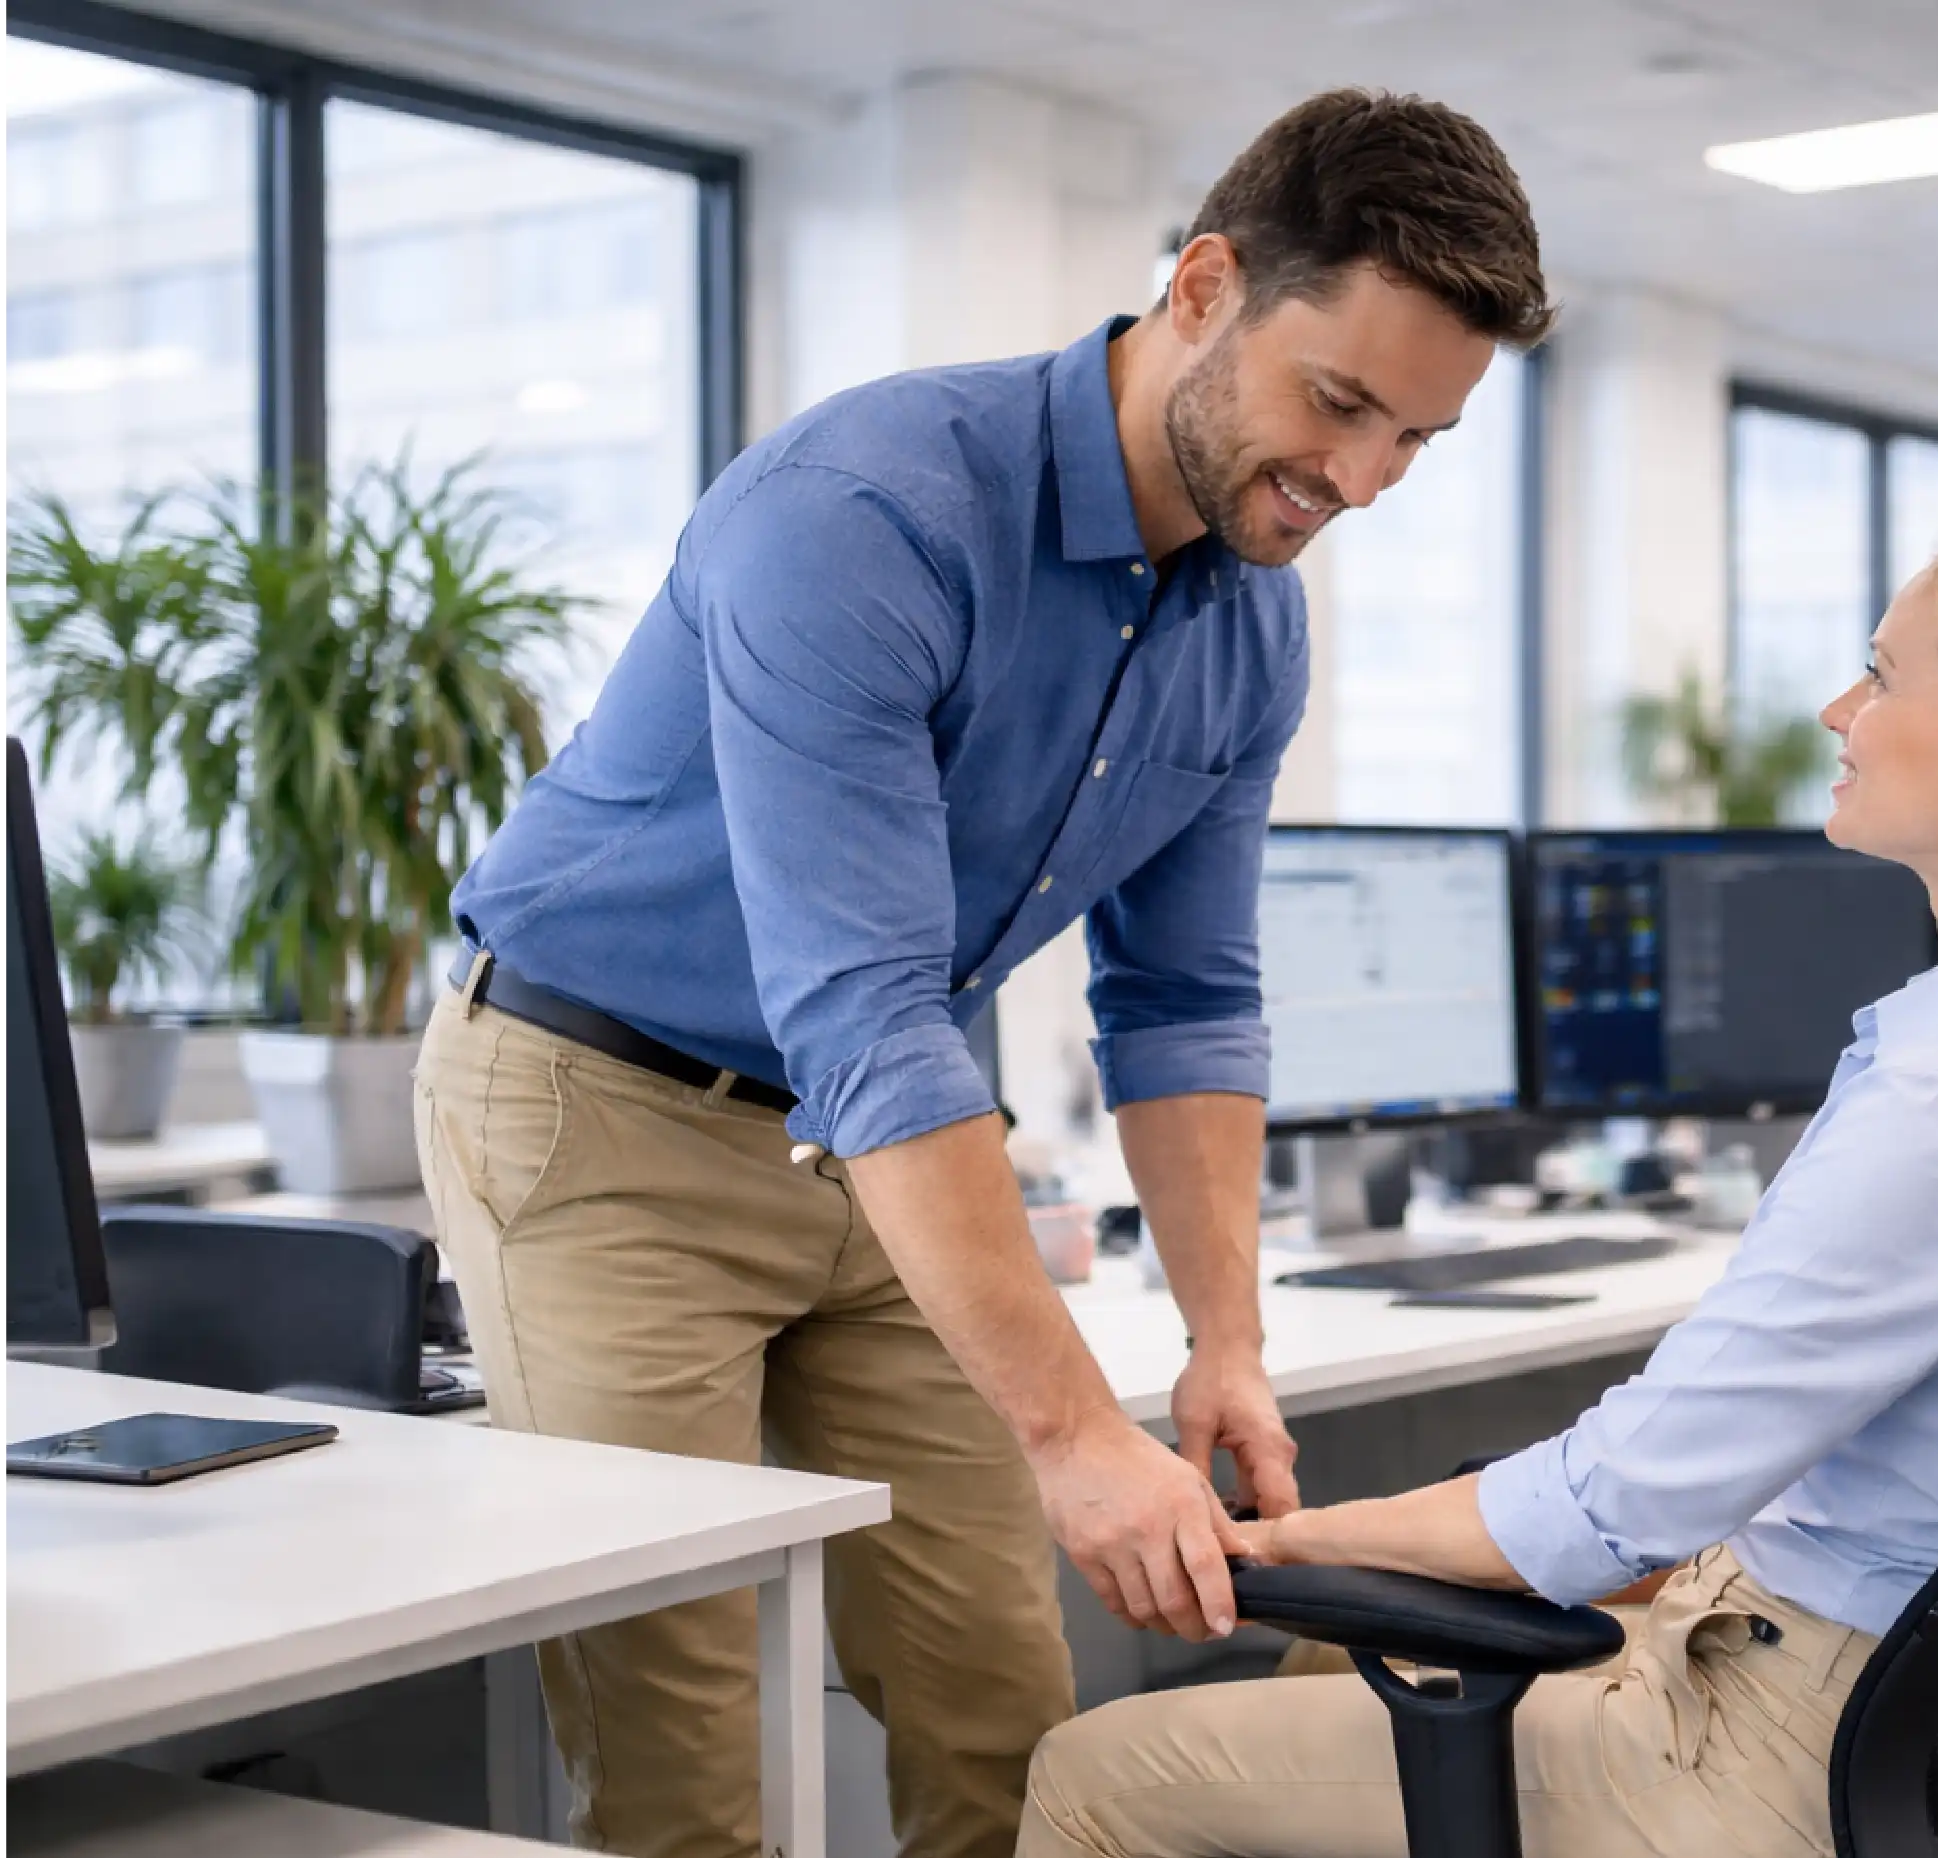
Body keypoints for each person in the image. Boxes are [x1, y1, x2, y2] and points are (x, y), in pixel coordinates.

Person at [413, 92, 1551, 1858]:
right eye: (1340, 403)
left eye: (1419, 438)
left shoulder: (1250, 620)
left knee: (998, 1709)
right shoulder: (868, 509)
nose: (1361, 482)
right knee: (680, 1745)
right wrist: (1081, 1431)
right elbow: (865, 1007)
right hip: (602, 1108)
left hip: (891, 1137)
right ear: (1203, 287)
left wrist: (1224, 1347)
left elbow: (1184, 1001)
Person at [1015, 511, 1938, 1857]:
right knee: (1347, 1652)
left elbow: (1608, 1506)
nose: (1839, 708)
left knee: (1096, 1769)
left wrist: (1259, 1545)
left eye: (1883, 670)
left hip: (1793, 1746)